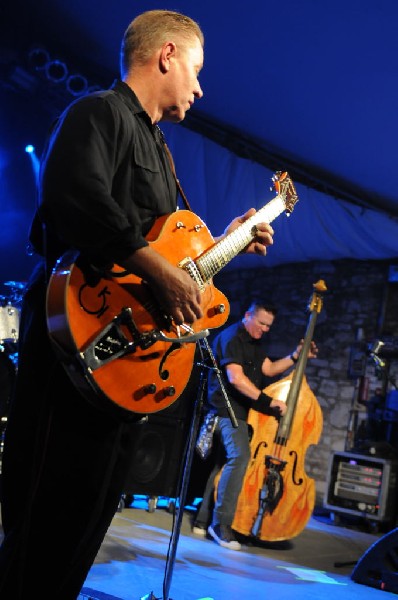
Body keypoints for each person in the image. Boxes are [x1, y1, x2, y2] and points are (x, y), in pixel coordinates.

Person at [0, 9, 276, 599]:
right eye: (196, 71)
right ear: (167, 55)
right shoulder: (98, 111)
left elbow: (170, 253)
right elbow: (74, 198)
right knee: (45, 520)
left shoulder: (159, 147)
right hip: (77, 344)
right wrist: (158, 271)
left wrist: (227, 243)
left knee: (83, 522)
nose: (200, 88)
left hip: (123, 371)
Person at [194, 300, 318, 550]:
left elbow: (270, 369)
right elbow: (236, 379)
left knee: (223, 464)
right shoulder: (232, 338)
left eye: (269, 326)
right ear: (247, 315)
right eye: (261, 323)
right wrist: (269, 402)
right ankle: (221, 525)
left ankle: (202, 520)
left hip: (240, 413)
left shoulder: (254, 343)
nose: (265, 329)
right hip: (224, 412)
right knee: (240, 457)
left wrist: (296, 356)